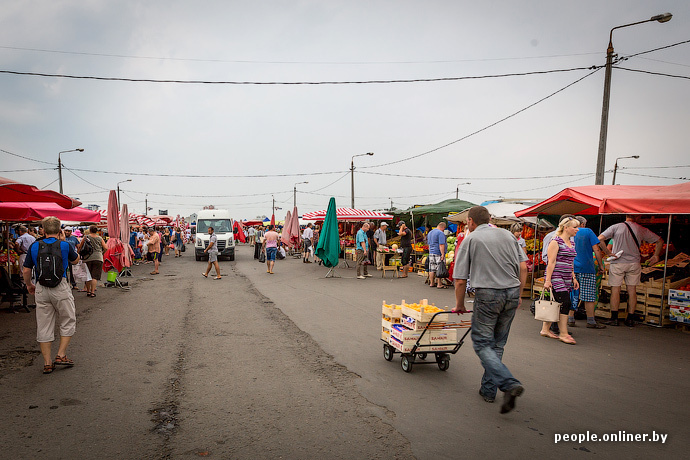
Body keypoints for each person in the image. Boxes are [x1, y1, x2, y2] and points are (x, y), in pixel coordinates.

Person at [452, 206, 527, 413]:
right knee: (498, 343)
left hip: (488, 295)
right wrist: (519, 294)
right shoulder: (508, 235)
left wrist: (459, 305)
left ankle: (508, 383)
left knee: (483, 343)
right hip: (511, 292)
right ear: (490, 219)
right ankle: (488, 390)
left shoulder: (471, 239)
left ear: (470, 221)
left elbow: (459, 280)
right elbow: (523, 267)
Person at [22, 216, 79, 374]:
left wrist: (29, 285)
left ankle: (47, 363)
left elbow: (26, 270)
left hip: (41, 287)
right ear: (60, 229)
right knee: (68, 319)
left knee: (44, 324)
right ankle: (61, 355)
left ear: (43, 229)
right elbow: (76, 261)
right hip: (60, 285)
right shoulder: (65, 245)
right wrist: (62, 240)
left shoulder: (34, 246)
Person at [598, 215, 663, 327]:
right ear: (637, 217)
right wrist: (656, 255)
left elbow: (599, 239)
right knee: (632, 290)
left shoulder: (616, 227)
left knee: (615, 289)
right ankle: (630, 318)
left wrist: (608, 253)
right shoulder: (640, 229)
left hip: (618, 262)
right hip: (634, 263)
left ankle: (614, 318)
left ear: (626, 216)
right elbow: (660, 241)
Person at [541, 216, 580, 344]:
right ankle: (564, 333)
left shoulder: (572, 242)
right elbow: (551, 262)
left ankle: (545, 329)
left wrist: (574, 277)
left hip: (567, 276)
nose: (577, 229)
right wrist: (548, 280)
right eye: (575, 227)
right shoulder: (555, 241)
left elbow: (571, 262)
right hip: (556, 275)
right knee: (565, 302)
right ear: (566, 227)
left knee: (557, 302)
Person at [573, 216, 607, 329]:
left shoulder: (568, 231)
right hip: (587, 267)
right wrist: (601, 265)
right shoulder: (587, 231)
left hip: (572, 268)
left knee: (573, 294)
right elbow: (597, 249)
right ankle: (591, 321)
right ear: (582, 224)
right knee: (588, 295)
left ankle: (570, 319)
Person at [77, 225, 106, 298]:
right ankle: (93, 292)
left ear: (90, 230)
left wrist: (78, 254)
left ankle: (88, 291)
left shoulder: (86, 237)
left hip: (87, 258)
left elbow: (80, 247)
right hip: (98, 258)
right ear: (96, 231)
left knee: (88, 275)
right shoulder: (100, 238)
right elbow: (106, 247)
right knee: (95, 276)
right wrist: (101, 253)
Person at [427, 222, 448, 289]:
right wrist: (442, 254)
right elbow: (441, 244)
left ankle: (432, 282)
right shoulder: (440, 233)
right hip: (438, 252)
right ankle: (439, 283)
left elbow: (429, 244)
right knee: (439, 268)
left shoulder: (430, 233)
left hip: (431, 252)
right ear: (443, 227)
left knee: (432, 268)